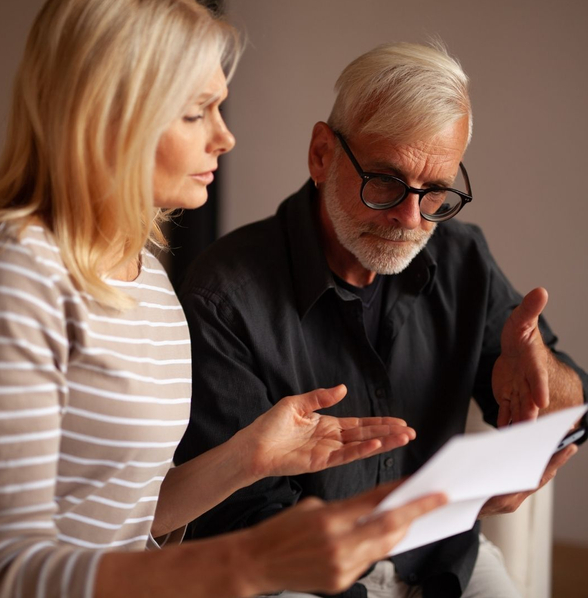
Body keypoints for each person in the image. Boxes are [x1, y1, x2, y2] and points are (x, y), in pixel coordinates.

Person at [0, 1, 450, 597]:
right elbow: (6, 571)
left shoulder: (146, 277)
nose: (225, 137)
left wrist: (248, 456)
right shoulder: (19, 274)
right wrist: (251, 561)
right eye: (195, 112)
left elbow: (124, 518)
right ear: (108, 119)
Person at [174, 42, 588, 598]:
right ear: (322, 154)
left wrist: (544, 379)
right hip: (297, 573)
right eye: (387, 183)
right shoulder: (224, 297)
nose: (411, 219)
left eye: (436, 192)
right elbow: (241, 517)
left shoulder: (463, 260)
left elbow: (568, 407)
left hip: (442, 560)